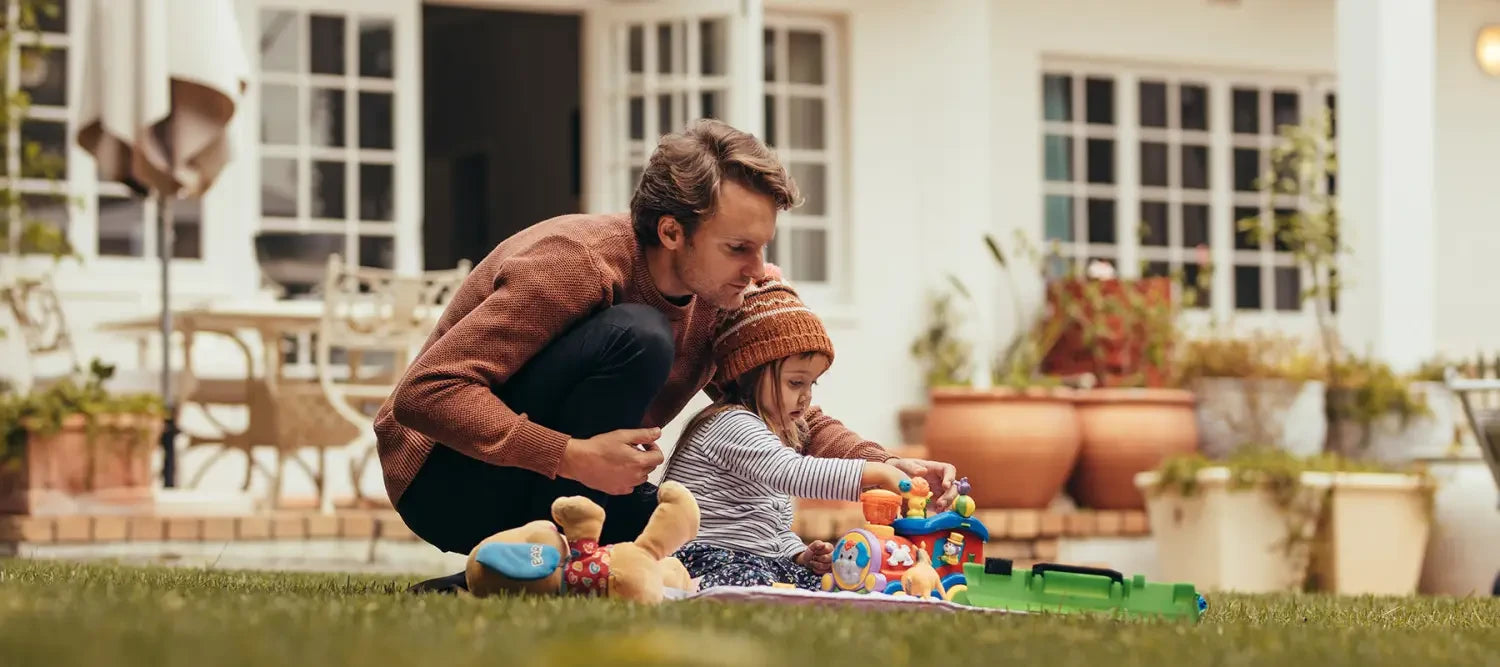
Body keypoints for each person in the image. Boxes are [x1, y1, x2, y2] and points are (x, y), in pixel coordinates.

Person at [375, 118, 958, 593]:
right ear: (673, 232)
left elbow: (780, 399)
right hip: (445, 480)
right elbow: (424, 395)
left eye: (762, 249)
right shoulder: (575, 263)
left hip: (574, 486)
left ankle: (526, 575)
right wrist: (571, 455)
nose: (758, 272)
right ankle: (537, 556)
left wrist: (884, 463)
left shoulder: (720, 295)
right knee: (640, 335)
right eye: (738, 249)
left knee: (697, 535)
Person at [660, 275, 910, 591]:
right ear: (750, 372)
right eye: (795, 383)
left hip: (754, 557)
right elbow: (794, 474)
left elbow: (771, 521)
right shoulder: (733, 424)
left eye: (811, 384)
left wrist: (798, 553)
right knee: (751, 583)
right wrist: (879, 473)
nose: (806, 397)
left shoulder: (773, 432)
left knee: (824, 582)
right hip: (707, 555)